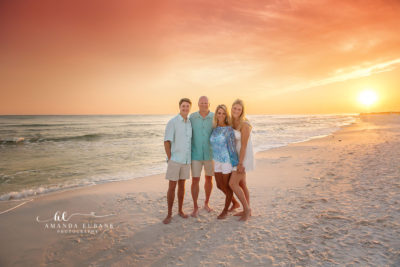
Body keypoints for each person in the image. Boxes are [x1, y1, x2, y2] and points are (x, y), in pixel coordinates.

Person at [163, 98, 192, 224]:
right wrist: (170, 159)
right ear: (179, 107)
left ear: (190, 108)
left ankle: (180, 210)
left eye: (187, 106)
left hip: (186, 160)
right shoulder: (173, 122)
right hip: (175, 160)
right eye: (183, 106)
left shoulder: (190, 123)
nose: (185, 108)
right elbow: (166, 141)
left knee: (182, 186)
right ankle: (169, 213)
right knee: (172, 187)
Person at [209, 104, 239, 219]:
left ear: (226, 115)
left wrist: (235, 164)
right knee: (219, 185)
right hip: (216, 160)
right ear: (216, 114)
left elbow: (232, 148)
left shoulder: (229, 129)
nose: (221, 115)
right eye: (219, 113)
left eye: (223, 113)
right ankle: (235, 202)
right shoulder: (215, 129)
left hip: (226, 161)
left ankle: (225, 211)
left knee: (226, 186)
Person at [229, 99, 254, 221]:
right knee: (242, 184)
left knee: (233, 183)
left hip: (243, 157)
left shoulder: (245, 124)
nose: (236, 111)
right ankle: (247, 209)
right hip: (237, 155)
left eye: (239, 109)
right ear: (231, 108)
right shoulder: (233, 122)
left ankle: (247, 209)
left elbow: (244, 146)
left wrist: (240, 163)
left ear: (242, 111)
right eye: (234, 108)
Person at [189, 96, 214, 217]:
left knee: (209, 179)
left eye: (206, 103)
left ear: (209, 104)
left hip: (210, 154)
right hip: (195, 154)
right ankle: (195, 206)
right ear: (198, 104)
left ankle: (206, 203)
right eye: (201, 103)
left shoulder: (214, 117)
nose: (203, 104)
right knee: (195, 180)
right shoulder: (192, 117)